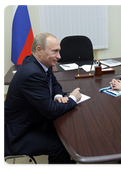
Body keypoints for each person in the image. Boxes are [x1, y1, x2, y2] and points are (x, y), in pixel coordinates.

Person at [2, 33, 82, 164]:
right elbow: (51, 112)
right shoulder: (32, 74)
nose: (59, 56)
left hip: (32, 119)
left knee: (69, 132)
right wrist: (73, 98)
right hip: (16, 134)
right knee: (60, 145)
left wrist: (58, 96)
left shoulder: (40, 63)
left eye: (59, 51)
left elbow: (54, 83)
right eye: (55, 51)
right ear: (39, 50)